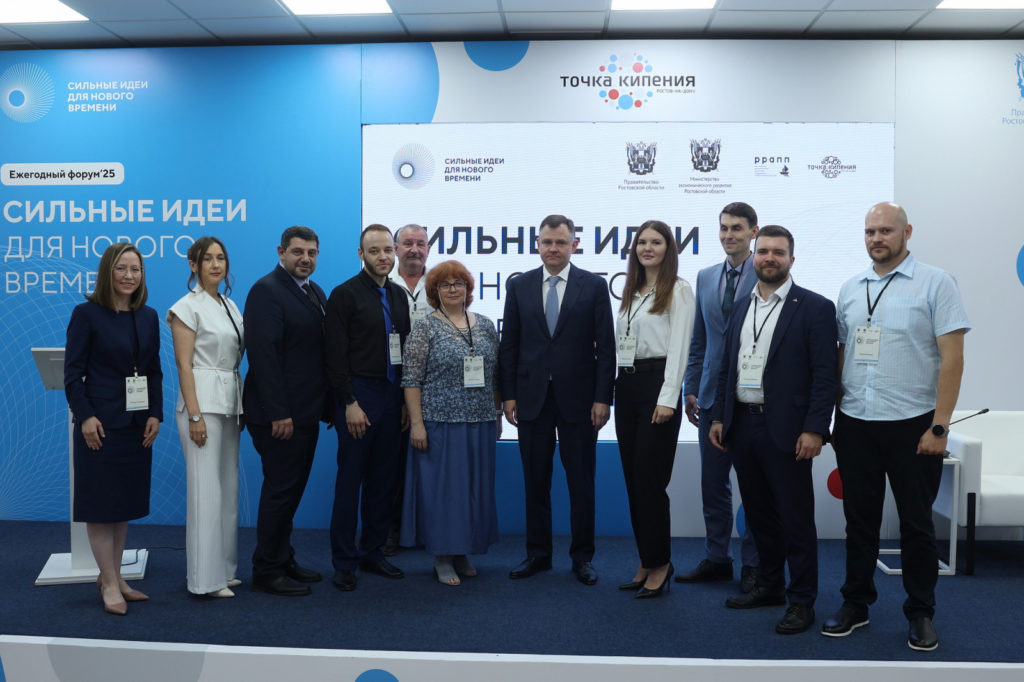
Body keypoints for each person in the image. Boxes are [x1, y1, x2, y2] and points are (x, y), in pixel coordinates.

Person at [823, 202, 969, 652]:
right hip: (856, 423)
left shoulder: (937, 283)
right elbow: (843, 355)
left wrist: (940, 427)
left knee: (916, 525)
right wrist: (836, 417)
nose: (876, 239)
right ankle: (856, 604)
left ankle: (920, 612)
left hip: (914, 426)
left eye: (885, 230)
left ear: (907, 232)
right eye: (870, 231)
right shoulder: (851, 288)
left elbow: (953, 359)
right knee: (858, 522)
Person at [708, 225, 838, 635]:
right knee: (759, 515)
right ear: (754, 257)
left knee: (795, 520)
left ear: (791, 260)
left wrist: (815, 429)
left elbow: (825, 376)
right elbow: (727, 367)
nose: (769, 258)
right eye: (763, 251)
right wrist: (720, 418)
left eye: (778, 252)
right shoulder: (741, 307)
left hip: (788, 429)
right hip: (743, 425)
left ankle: (802, 601)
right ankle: (769, 585)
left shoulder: (815, 308)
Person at [499, 214, 616, 585]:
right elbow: (509, 344)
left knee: (581, 483)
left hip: (580, 401)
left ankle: (582, 558)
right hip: (530, 399)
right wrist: (508, 395)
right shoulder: (519, 285)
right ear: (537, 244)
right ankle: (538, 555)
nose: (553, 248)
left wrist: (603, 398)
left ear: (573, 245)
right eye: (547, 242)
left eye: (561, 242)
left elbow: (606, 348)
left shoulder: (594, 286)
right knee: (536, 482)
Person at [64, 241, 162, 616]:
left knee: (122, 506)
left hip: (136, 424)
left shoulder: (148, 316)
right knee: (101, 506)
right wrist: (85, 416)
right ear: (108, 272)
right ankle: (107, 582)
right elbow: (73, 374)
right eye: (121, 268)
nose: (129, 275)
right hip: (100, 425)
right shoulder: (86, 314)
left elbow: (153, 370)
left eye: (135, 269)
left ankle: (115, 576)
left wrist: (155, 414)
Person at [400, 260, 501, 585]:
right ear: (435, 291)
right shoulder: (425, 328)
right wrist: (417, 424)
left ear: (468, 288)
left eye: (459, 283)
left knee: (472, 491)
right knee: (446, 493)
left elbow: (495, 375)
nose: (453, 289)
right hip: (440, 422)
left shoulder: (486, 325)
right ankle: (442, 556)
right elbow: (411, 379)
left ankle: (462, 551)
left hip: (480, 420)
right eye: (445, 284)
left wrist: (497, 413)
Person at [678, 201, 760, 592]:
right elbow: (700, 339)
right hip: (710, 396)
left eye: (737, 228)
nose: (729, 235)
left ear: (753, 232)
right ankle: (717, 558)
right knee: (713, 485)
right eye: (724, 228)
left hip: (751, 396)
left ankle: (754, 564)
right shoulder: (706, 276)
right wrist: (690, 387)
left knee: (754, 486)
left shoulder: (767, 271)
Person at [243, 225, 329, 597]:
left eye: (311, 253)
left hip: (305, 412)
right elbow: (263, 356)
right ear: (281, 252)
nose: (305, 259)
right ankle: (266, 570)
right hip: (278, 417)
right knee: (280, 492)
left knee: (291, 492)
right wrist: (278, 412)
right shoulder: (266, 290)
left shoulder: (315, 291)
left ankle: (283, 557)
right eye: (297, 252)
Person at [325, 224, 411, 591]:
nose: (383, 257)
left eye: (388, 250)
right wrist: (349, 403)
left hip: (392, 397)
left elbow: (404, 350)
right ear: (361, 255)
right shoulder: (344, 295)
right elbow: (334, 356)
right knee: (350, 482)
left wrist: (404, 401)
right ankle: (345, 562)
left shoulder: (398, 295)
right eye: (374, 251)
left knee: (383, 481)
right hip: (358, 396)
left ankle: (372, 552)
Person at [614, 221, 695, 599]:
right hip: (627, 385)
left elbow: (680, 348)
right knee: (633, 481)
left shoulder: (679, 290)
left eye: (656, 242)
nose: (648, 247)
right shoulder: (631, 291)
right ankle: (646, 560)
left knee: (650, 481)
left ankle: (661, 563)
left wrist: (668, 398)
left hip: (657, 387)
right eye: (642, 242)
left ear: (668, 249)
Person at [168, 236, 244, 598]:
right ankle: (204, 581)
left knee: (227, 489)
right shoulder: (186, 307)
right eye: (208, 259)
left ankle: (224, 570)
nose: (216, 265)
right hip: (201, 405)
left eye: (221, 258)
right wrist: (195, 415)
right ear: (193, 265)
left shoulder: (229, 304)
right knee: (206, 493)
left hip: (229, 403)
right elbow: (184, 365)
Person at [384, 223, 433, 556]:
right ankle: (390, 529)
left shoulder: (442, 283)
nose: (414, 249)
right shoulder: (382, 285)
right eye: (407, 243)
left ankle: (434, 530)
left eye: (421, 243)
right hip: (391, 385)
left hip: (436, 387)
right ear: (396, 248)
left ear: (428, 248)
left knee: (434, 463)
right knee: (392, 463)